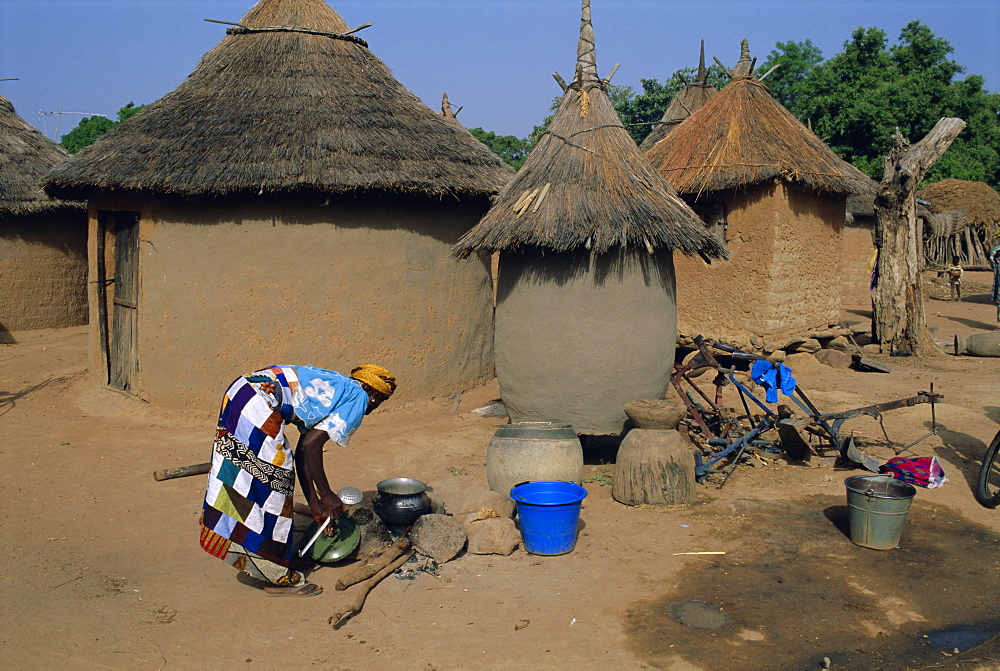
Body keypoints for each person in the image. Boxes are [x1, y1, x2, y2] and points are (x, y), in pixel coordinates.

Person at [199, 364, 396, 597]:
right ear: (374, 395)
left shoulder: (339, 386)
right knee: (274, 485)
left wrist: (314, 504)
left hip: (241, 390)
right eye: (380, 402)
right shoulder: (359, 398)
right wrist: (327, 495)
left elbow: (305, 449)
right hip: (259, 402)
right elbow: (312, 447)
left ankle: (258, 554)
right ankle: (276, 575)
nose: (372, 409)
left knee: (245, 475)